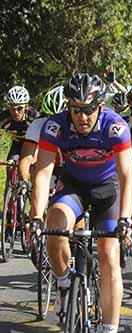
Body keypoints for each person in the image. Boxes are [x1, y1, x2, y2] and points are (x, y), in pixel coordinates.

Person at [30, 73, 132, 333]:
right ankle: (64, 284)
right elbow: (43, 172)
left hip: (107, 189)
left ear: (100, 106)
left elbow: (127, 175)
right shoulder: (56, 126)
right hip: (74, 186)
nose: (82, 117)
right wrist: (35, 217)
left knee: (109, 256)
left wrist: (126, 219)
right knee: (54, 223)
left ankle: (109, 328)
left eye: (88, 110)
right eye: (75, 110)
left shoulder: (115, 126)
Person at [19, 86, 66, 247]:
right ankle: (35, 224)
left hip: (72, 166)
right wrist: (24, 181)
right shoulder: (37, 124)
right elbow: (26, 157)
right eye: (49, 117)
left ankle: (79, 257)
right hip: (50, 166)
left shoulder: (77, 123)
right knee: (37, 183)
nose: (52, 124)